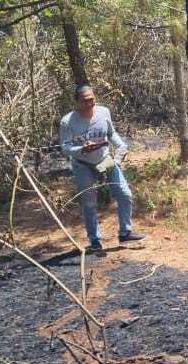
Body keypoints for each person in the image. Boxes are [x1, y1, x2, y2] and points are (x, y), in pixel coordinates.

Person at [59, 84, 145, 252]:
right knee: (90, 203)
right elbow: (65, 147)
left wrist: (121, 146)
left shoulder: (104, 112)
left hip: (105, 160)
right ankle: (95, 240)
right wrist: (81, 149)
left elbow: (111, 133)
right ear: (77, 102)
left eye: (92, 99)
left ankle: (126, 232)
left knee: (124, 194)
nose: (89, 103)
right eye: (85, 101)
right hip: (82, 164)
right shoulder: (67, 121)